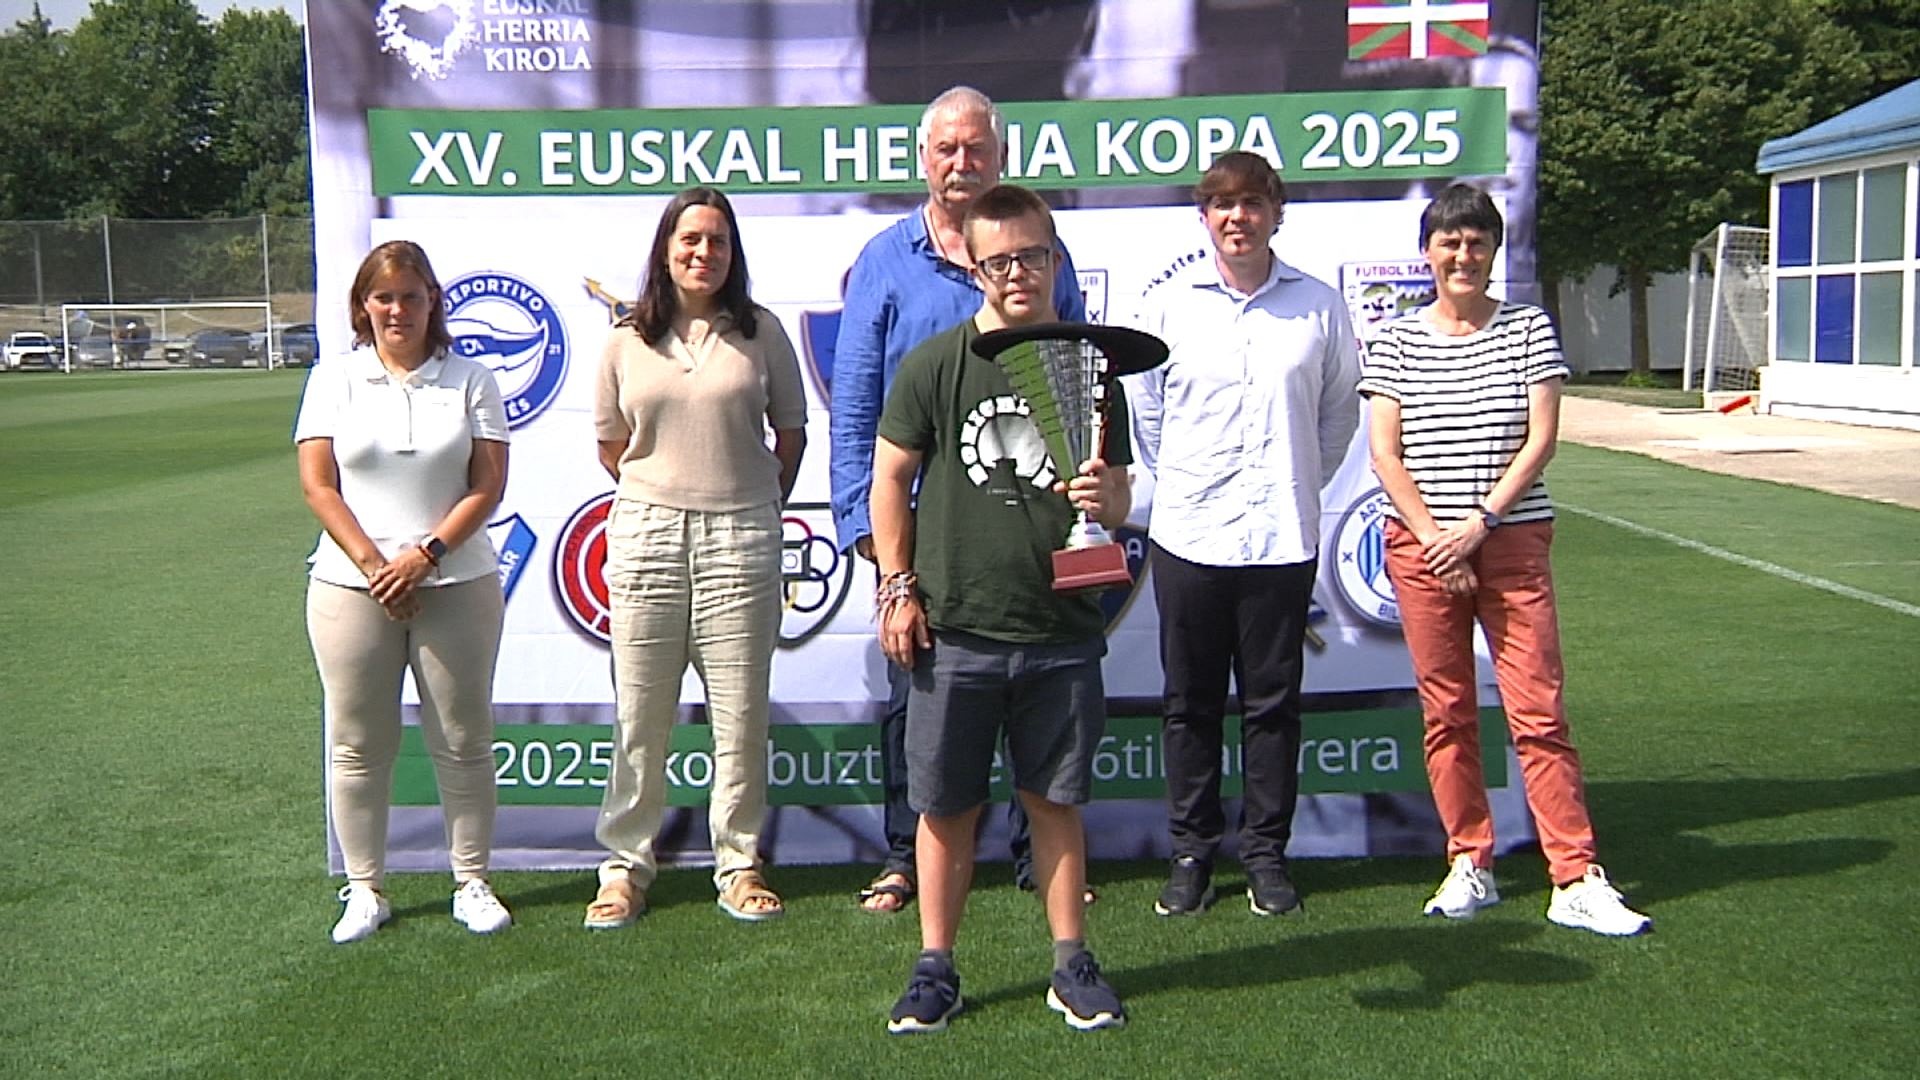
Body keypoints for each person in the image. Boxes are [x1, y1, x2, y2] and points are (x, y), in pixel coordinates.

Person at [1358, 183, 1651, 937]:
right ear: (1427, 253)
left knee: (1538, 711)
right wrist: (1439, 539)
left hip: (1511, 540)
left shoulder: (1527, 327)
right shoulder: (1395, 339)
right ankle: (1470, 862)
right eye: (1449, 242)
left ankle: (1574, 876)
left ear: (1493, 251)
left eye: (1476, 242)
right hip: (1422, 547)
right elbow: (1385, 454)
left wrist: (1479, 525)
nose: (1463, 255)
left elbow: (1540, 439)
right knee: (1447, 711)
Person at [872, 184, 1131, 1033]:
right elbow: (889, 479)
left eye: (1033, 256)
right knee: (945, 808)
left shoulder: (1092, 368)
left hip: (1061, 627)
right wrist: (898, 586)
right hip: (957, 627)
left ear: (1056, 258)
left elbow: (1119, 497)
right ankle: (935, 968)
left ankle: (1071, 962)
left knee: (1054, 801)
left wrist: (1107, 497)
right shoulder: (935, 363)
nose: (1018, 273)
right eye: (999, 261)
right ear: (974, 269)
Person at [830, 85, 1088, 914]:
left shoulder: (1047, 255)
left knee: (1035, 698)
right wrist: (872, 544)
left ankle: (1032, 856)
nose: (962, 163)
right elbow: (856, 404)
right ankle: (904, 857)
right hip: (921, 533)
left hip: (1028, 525)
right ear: (923, 159)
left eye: (976, 148)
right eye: (946, 149)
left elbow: (1077, 376)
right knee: (917, 703)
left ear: (1001, 157)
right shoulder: (885, 260)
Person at [1127, 151, 1361, 918]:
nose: (1238, 217)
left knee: (1272, 707)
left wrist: (1294, 483)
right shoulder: (1167, 306)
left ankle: (1265, 853)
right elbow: (1149, 418)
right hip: (1189, 537)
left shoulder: (1320, 307)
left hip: (1281, 538)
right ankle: (1192, 852)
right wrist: (1192, 484)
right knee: (1188, 705)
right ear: (1204, 217)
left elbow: (1337, 416)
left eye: (1253, 203)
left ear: (1276, 214)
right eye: (1223, 204)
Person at [586, 186, 808, 929]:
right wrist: (665, 491)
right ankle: (624, 868)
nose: (703, 252)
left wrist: (752, 500)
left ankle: (739, 865)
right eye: (690, 239)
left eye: (717, 240)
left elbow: (791, 435)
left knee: (740, 717)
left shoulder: (761, 331)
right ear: (666, 249)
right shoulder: (626, 339)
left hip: (742, 536)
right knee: (639, 716)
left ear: (732, 252)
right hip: (647, 535)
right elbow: (612, 446)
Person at [296, 240, 513, 944]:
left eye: (411, 297)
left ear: (432, 303)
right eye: (383, 297)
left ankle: (472, 881)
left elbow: (487, 485)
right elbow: (319, 485)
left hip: (458, 580)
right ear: (363, 306)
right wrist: (375, 567)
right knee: (359, 742)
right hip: (350, 588)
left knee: (464, 738)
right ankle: (365, 888)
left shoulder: (471, 379)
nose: (397, 310)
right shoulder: (335, 379)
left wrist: (424, 555)